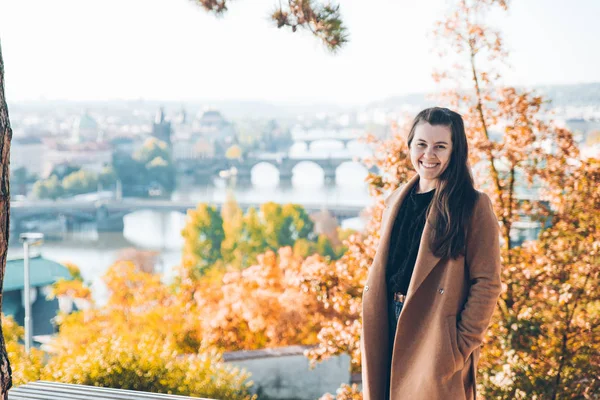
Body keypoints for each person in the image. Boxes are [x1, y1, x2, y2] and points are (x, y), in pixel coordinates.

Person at [360, 107, 502, 400]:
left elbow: (487, 283)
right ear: (410, 145)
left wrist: (458, 346)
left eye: (440, 146)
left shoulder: (473, 207)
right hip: (387, 321)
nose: (429, 154)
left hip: (434, 334)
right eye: (421, 144)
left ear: (455, 151)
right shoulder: (395, 200)